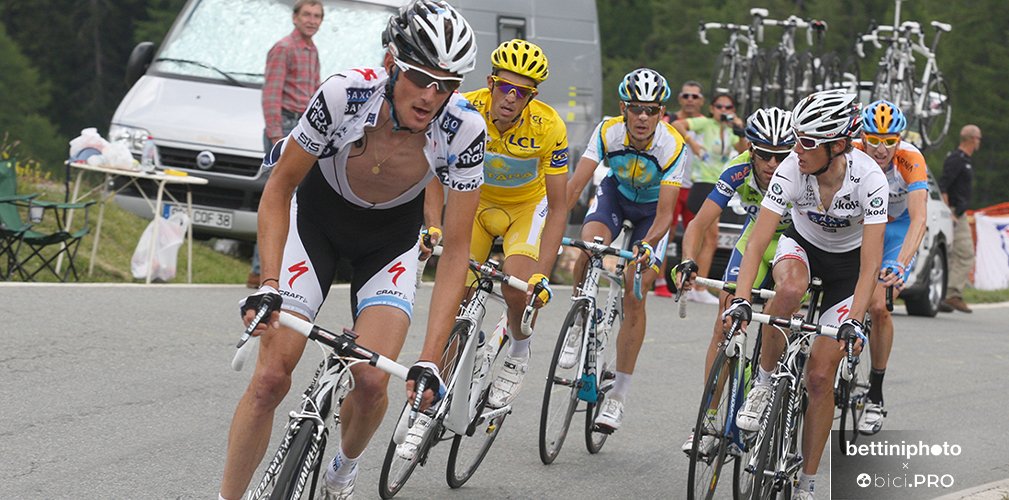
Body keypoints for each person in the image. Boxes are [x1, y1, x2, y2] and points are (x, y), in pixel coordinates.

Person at [218, 3, 484, 500]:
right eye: (420, 78)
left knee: (372, 381)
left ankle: (345, 465)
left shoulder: (465, 129)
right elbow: (279, 189)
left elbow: (456, 251)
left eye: (447, 85)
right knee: (270, 379)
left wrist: (430, 358)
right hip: (315, 225)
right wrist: (270, 283)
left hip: (389, 244)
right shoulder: (343, 94)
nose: (431, 96)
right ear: (391, 63)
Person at [726, 89, 886, 500]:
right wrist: (742, 299)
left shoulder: (870, 180)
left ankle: (808, 482)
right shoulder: (792, 170)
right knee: (789, 289)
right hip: (802, 248)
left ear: (838, 145)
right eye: (796, 137)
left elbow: (870, 265)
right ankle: (763, 383)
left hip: (848, 270)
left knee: (818, 377)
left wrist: (854, 321)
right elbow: (757, 243)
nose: (795, 149)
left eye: (807, 142)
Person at [415, 39, 566, 427]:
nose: (511, 98)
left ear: (532, 96)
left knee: (516, 286)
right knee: (455, 300)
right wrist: (433, 223)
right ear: (490, 82)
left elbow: (559, 206)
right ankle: (432, 404)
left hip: (525, 209)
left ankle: (518, 351)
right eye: (505, 87)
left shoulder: (550, 126)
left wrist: (542, 274)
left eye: (523, 92)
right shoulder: (463, 109)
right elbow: (432, 169)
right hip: (476, 205)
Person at [564, 68, 686, 432]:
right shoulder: (607, 131)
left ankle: (617, 396)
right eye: (636, 108)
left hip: (652, 214)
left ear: (661, 112)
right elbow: (575, 187)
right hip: (615, 198)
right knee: (589, 248)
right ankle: (578, 321)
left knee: (635, 289)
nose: (643, 117)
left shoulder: (672, 145)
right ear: (623, 109)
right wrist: (548, 227)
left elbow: (665, 215)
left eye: (651, 109)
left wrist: (646, 246)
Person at [675, 107, 796, 453]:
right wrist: (688, 259)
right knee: (724, 323)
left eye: (781, 156)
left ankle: (775, 383)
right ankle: (708, 419)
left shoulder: (801, 171)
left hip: (793, 244)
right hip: (755, 241)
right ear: (751, 149)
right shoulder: (739, 168)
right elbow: (699, 223)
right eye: (765, 154)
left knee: (781, 313)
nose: (772, 164)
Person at [851, 100, 928, 434]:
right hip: (861, 226)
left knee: (879, 306)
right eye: (873, 140)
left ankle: (875, 395)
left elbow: (920, 219)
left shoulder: (910, 158)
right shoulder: (851, 153)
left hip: (897, 230)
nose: (881, 149)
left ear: (899, 139)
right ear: (862, 138)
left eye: (889, 141)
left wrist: (901, 262)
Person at [249, 0, 324, 289]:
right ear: (295, 18)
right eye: (307, 14)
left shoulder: (312, 50)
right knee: (277, 195)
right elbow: (271, 93)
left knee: (299, 198)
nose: (312, 20)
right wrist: (275, 135)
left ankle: (283, 267)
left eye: (317, 16)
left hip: (304, 126)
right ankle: (260, 270)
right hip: (284, 125)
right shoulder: (284, 48)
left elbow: (315, 92)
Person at [671, 92, 748, 304]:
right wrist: (693, 144)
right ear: (712, 108)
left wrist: (740, 130)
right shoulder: (705, 123)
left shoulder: (730, 130)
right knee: (711, 238)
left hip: (717, 184)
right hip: (702, 184)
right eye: (719, 106)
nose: (723, 111)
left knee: (708, 239)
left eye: (728, 107)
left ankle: (695, 285)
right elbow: (677, 124)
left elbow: (744, 151)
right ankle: (698, 287)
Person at [654, 81, 702, 298]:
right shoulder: (669, 120)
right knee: (667, 232)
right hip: (672, 185)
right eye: (686, 95)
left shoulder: (706, 123)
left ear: (701, 101)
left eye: (695, 96)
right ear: (680, 99)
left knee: (695, 235)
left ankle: (690, 285)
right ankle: (660, 282)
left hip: (696, 186)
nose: (690, 100)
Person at [938, 125, 982, 313]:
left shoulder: (964, 159)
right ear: (973, 139)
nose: (979, 142)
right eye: (979, 138)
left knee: (954, 255)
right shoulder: (957, 159)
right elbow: (943, 185)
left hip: (959, 212)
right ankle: (952, 293)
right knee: (966, 255)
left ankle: (944, 296)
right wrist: (949, 212)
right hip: (955, 212)